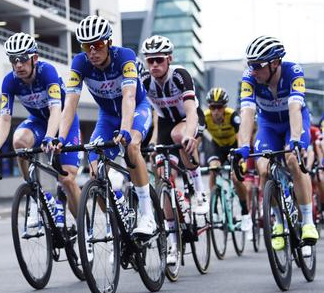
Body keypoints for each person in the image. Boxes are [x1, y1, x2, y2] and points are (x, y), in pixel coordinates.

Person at [58, 15, 155, 236]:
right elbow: (70, 104)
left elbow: (129, 96)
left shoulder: (126, 57)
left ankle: (147, 215)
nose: (92, 51)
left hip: (136, 109)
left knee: (132, 146)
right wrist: (61, 139)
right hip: (107, 116)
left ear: (109, 43)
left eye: (98, 45)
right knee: (96, 176)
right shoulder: (80, 63)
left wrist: (125, 129)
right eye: (86, 46)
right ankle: (118, 220)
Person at [0, 33, 81, 217]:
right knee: (18, 141)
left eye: (23, 59)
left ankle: (85, 226)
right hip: (38, 122)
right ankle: (35, 191)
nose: (18, 64)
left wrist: (50, 137)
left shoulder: (47, 72)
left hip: (62, 121)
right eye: (13, 59)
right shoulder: (9, 82)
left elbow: (56, 110)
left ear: (34, 58)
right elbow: (4, 118)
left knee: (66, 179)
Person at [233, 36, 319, 250]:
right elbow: (247, 113)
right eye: (249, 65)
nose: (252, 70)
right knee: (263, 168)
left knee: (292, 159)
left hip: (293, 122)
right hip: (268, 125)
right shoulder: (249, 78)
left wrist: (296, 140)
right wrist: (244, 146)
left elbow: (294, 109)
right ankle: (278, 222)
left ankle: (307, 221)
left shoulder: (293, 72)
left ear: (275, 63)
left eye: (257, 65)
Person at [140, 35, 208, 215]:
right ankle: (173, 238)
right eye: (150, 60)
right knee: (162, 178)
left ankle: (200, 191)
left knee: (179, 136)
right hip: (165, 123)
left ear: (169, 59)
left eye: (159, 59)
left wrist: (189, 134)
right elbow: (146, 111)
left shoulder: (179, 75)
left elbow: (192, 111)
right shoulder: (145, 80)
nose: (154, 64)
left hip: (189, 118)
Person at [202, 87, 251, 232]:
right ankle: (214, 209)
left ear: (224, 107)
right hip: (217, 146)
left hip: (233, 145)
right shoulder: (205, 117)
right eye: (212, 107)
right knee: (213, 169)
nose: (215, 111)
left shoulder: (232, 116)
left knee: (236, 179)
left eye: (219, 107)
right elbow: (197, 137)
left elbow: (241, 135)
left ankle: (245, 214)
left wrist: (240, 158)